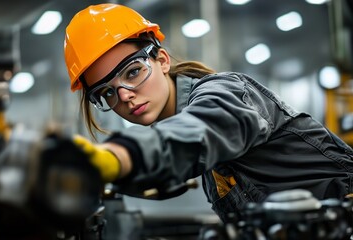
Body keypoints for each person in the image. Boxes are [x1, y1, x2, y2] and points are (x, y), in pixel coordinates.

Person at [64, 3, 353, 223]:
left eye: (133, 71)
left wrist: (117, 157)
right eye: (107, 92)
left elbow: (198, 132)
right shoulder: (207, 165)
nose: (125, 95)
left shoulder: (226, 92)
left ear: (162, 60)